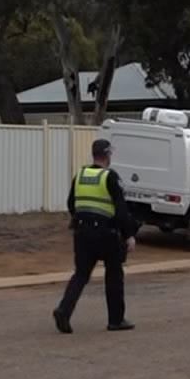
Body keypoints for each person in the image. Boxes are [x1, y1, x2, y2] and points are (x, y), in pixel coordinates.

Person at [52, 138, 137, 334]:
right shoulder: (110, 177)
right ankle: (116, 320)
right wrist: (129, 235)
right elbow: (121, 210)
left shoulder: (80, 175)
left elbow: (71, 203)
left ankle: (64, 310)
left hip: (82, 233)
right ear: (107, 155)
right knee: (114, 274)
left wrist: (80, 219)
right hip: (106, 234)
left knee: (81, 274)